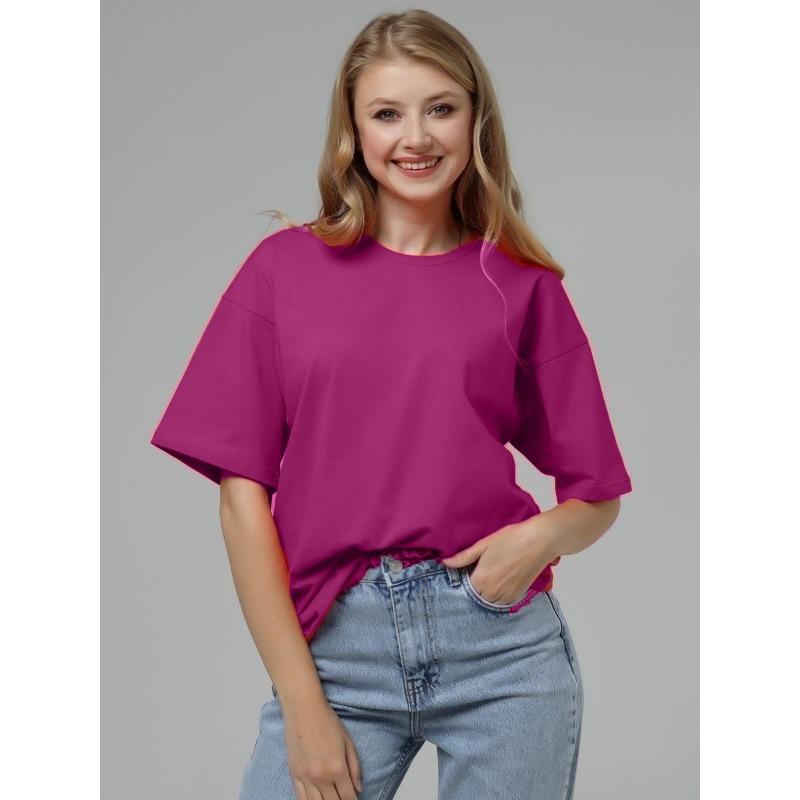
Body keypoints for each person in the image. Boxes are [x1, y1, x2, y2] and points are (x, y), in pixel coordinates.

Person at [150, 9, 632, 800]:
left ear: (475, 119)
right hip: (337, 651)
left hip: (501, 650)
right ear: (353, 131)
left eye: (441, 108)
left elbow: (598, 497)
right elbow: (241, 502)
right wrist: (303, 702)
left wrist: (537, 539)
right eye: (386, 113)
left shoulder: (520, 284)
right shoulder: (282, 271)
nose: (416, 137)